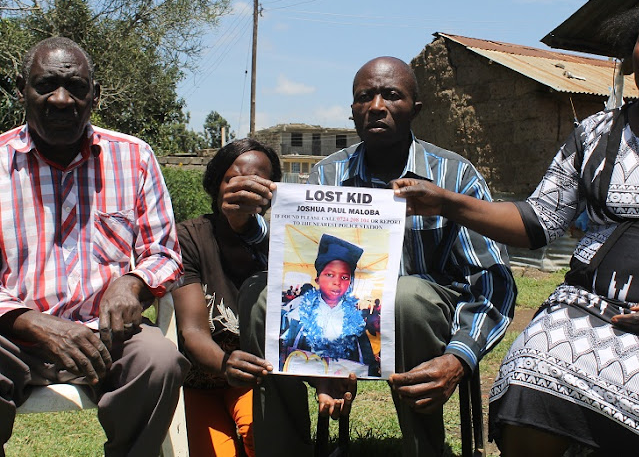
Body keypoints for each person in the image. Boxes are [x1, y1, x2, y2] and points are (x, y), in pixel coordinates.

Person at [393, 0, 639, 456]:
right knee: (527, 376)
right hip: (589, 308)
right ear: (632, 53)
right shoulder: (594, 134)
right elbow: (537, 220)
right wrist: (447, 202)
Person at [238, 56, 517, 456]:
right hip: (336, 315)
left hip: (421, 321)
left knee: (406, 296)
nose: (377, 106)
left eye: (391, 95)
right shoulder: (326, 176)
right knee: (265, 301)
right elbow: (297, 262)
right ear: (353, 110)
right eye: (364, 97)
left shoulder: (454, 176)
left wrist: (460, 356)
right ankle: (284, 449)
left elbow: (492, 278)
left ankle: (424, 450)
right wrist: (323, 362)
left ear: (415, 109)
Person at [0, 36, 188, 456]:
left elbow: (164, 252)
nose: (62, 99)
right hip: (13, 339)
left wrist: (134, 282)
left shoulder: (133, 156)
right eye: (47, 85)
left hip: (108, 338)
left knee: (160, 361)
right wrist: (31, 322)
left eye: (77, 88)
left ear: (95, 96)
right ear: (20, 89)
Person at [171, 138, 280, 456]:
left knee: (258, 439)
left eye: (258, 183)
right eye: (233, 180)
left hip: (254, 379)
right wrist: (224, 363)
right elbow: (192, 331)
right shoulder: (187, 238)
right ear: (216, 184)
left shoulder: (279, 243)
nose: (245, 190)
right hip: (199, 381)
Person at [279, 234, 377, 377]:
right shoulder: (296, 316)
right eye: (330, 275)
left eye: (344, 277)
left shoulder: (356, 325)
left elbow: (368, 367)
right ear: (317, 279)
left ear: (350, 283)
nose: (337, 282)